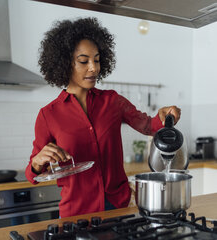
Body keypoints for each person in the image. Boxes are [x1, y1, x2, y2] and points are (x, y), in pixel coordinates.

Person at [25, 17, 181, 218]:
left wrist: (164, 116)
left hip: (118, 206)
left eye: (96, 60)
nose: (93, 68)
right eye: (83, 61)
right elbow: (33, 173)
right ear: (65, 63)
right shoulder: (48, 115)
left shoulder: (113, 101)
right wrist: (38, 162)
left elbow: (149, 126)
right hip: (77, 212)